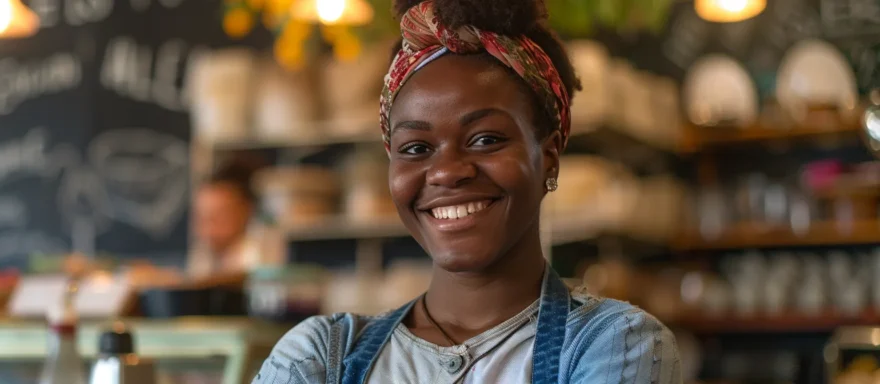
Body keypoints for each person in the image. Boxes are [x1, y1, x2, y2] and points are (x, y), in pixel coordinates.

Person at [253, 0, 682, 382]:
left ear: (549, 156)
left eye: (486, 139)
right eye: (416, 148)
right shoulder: (321, 355)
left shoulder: (615, 344)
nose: (447, 172)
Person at [189, 159, 282, 279]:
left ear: (246, 211)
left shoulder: (261, 259)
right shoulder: (204, 258)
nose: (207, 229)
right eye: (201, 218)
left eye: (219, 217)